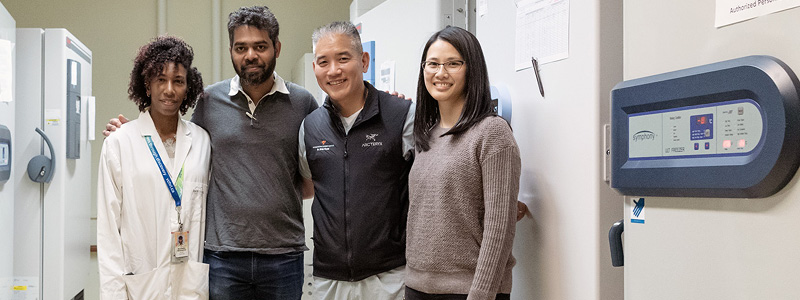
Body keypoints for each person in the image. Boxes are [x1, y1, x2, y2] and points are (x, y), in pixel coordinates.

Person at [104, 6, 318, 299]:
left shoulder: (304, 103)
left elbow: (318, 168)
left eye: (260, 46)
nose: (250, 55)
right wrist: (135, 136)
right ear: (231, 50)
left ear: (276, 48)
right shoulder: (211, 101)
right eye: (241, 47)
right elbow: (175, 148)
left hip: (283, 255)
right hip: (222, 257)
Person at [298, 21, 414, 299]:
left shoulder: (402, 115)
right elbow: (309, 183)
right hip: (329, 278)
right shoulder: (309, 127)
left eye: (343, 58)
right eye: (323, 62)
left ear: (364, 61)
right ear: (314, 69)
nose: (333, 70)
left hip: (390, 275)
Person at [405, 26, 521, 300]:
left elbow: (500, 227)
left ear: (472, 70)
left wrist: (481, 294)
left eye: (453, 63)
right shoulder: (426, 136)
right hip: (417, 287)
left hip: (469, 290)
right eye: (432, 64)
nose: (440, 73)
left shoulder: (492, 133)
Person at [97, 35, 211, 299]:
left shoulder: (202, 141)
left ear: (187, 88)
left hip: (189, 284)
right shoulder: (120, 143)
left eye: (178, 81)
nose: (169, 90)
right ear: (147, 85)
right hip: (141, 284)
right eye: (161, 79)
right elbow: (108, 233)